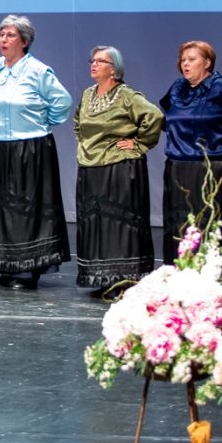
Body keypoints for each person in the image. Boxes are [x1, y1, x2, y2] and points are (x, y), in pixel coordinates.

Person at [0, 15, 72, 290]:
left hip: (27, 147)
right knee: (0, 210)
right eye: (1, 34)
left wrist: (42, 123)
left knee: (25, 210)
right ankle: (5, 266)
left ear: (25, 41)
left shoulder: (37, 70)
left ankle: (28, 270)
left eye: (10, 35)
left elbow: (62, 102)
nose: (3, 40)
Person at [74, 46, 163, 294]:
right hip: (91, 167)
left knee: (119, 225)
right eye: (92, 60)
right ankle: (101, 277)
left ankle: (124, 280)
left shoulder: (126, 96)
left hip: (119, 167)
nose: (93, 64)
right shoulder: (87, 94)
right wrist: (86, 145)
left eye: (100, 61)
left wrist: (139, 143)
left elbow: (154, 116)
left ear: (114, 69)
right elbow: (78, 123)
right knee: (96, 223)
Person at [159, 40, 222, 264]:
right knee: (179, 224)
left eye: (192, 59)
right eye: (183, 60)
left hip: (210, 168)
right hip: (177, 166)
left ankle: (209, 273)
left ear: (207, 63)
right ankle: (179, 270)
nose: (185, 64)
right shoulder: (178, 87)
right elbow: (168, 114)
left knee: (206, 223)